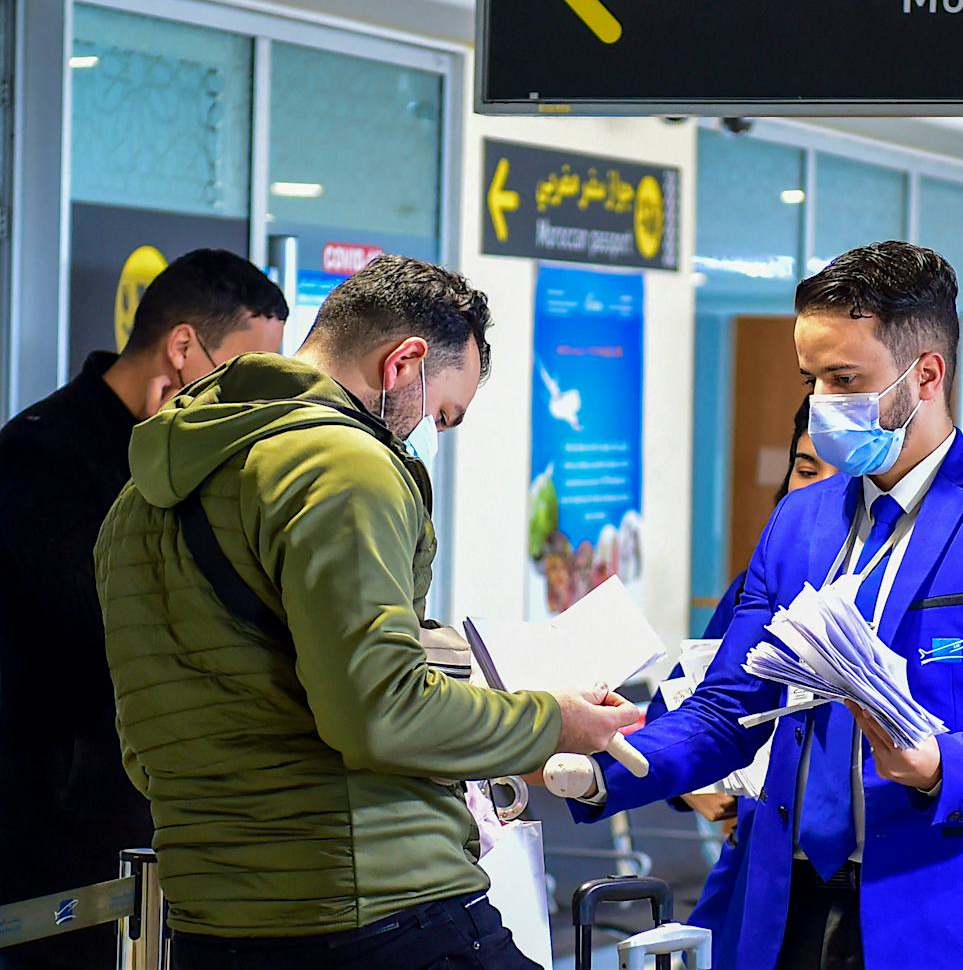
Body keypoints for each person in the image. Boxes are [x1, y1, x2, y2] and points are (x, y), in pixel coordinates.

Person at [562, 241, 963, 970]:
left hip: (941, 911)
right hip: (786, 905)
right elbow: (727, 709)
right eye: (812, 379)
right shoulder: (801, 522)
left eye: (845, 378)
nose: (822, 402)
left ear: (927, 374)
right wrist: (601, 762)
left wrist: (945, 762)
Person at [93, 255, 640, 970]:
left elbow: (143, 744)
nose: (431, 435)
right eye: (443, 414)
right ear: (404, 361)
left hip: (214, 921)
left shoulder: (133, 506)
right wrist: (552, 722)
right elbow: (381, 713)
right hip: (377, 905)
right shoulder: (346, 465)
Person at [0, 248, 288, 970]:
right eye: (243, 375)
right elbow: (108, 612)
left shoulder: (197, 460)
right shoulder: (40, 451)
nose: (250, 404)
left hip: (171, 809)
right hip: (58, 826)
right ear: (183, 347)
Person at [647, 396, 839, 963]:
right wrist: (700, 788)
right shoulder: (756, 589)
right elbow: (687, 705)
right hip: (761, 857)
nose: (812, 491)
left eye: (836, 476)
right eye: (804, 470)